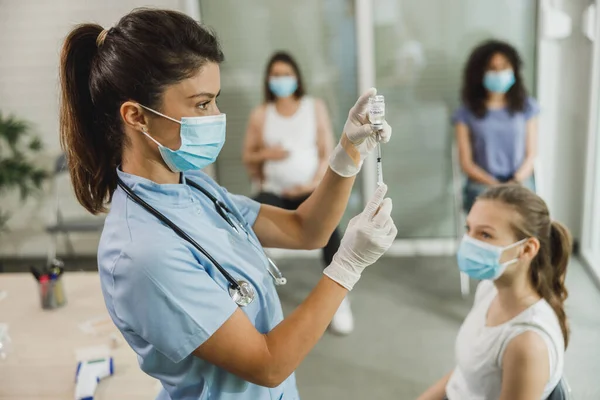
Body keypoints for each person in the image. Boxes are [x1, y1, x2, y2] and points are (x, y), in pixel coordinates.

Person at [58, 8, 394, 400]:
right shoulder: (142, 254)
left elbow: (306, 229)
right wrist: (347, 267)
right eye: (202, 104)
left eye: (214, 101)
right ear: (137, 117)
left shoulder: (193, 187)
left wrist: (347, 152)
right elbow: (266, 364)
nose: (217, 117)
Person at [418, 184, 571, 400]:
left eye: (485, 235)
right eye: (468, 229)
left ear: (527, 249)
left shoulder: (527, 344)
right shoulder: (490, 288)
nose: (469, 241)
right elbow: (467, 374)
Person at [243, 51, 352, 335]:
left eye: (286, 74)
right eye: (276, 75)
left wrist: (312, 184)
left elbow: (327, 151)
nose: (281, 80)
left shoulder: (313, 106)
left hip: (309, 190)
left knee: (330, 232)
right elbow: (249, 157)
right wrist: (269, 155)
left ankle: (339, 301)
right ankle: (255, 301)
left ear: (297, 77)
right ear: (268, 80)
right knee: (247, 226)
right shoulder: (261, 114)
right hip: (274, 192)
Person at [454, 40, 540, 212]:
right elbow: (466, 163)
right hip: (481, 186)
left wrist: (514, 181)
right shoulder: (466, 113)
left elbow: (531, 154)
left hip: (519, 182)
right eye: (492, 68)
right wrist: (495, 185)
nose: (499, 73)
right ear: (480, 73)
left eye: (504, 67)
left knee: (522, 215)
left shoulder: (526, 107)